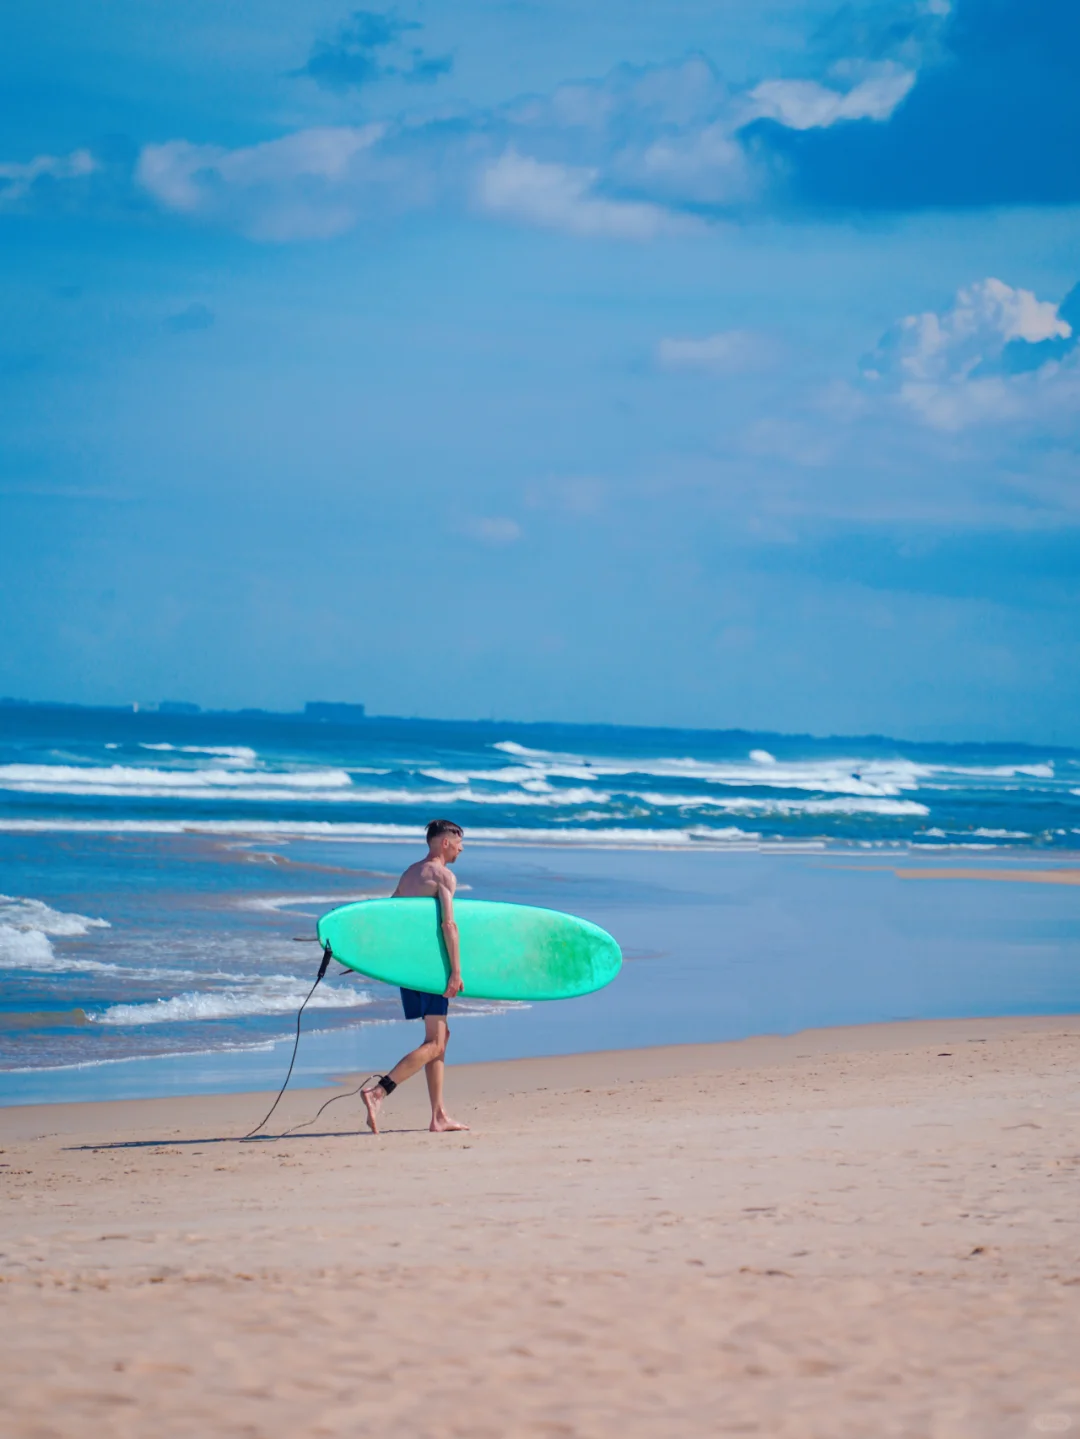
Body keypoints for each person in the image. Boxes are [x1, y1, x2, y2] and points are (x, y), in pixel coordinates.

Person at [361, 820, 469, 1135]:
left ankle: (438, 1116)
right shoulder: (444, 876)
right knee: (435, 1041)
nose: (462, 848)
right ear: (445, 843)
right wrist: (456, 971)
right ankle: (379, 1091)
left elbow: (391, 917)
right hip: (431, 968)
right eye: (459, 842)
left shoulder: (410, 874)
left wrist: (369, 956)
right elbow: (449, 925)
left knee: (440, 1038)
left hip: (408, 969)